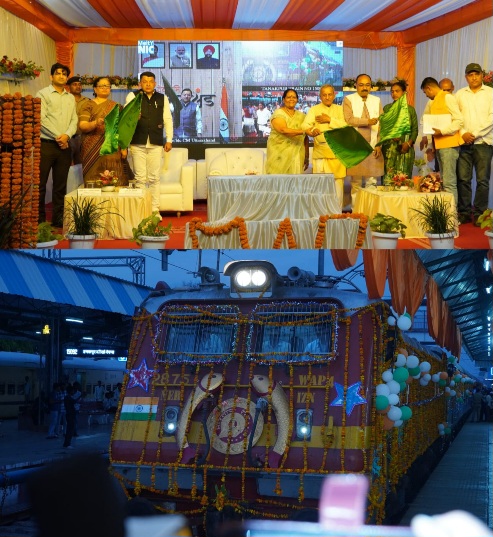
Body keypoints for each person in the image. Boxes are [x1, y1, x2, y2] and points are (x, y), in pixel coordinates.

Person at [36, 62, 78, 228]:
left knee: (60, 185)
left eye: (64, 74)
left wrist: (67, 136)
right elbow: (41, 119)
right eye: (58, 73)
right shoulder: (42, 94)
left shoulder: (70, 97)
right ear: (51, 76)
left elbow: (74, 120)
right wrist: (59, 137)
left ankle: (58, 219)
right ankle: (39, 220)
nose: (61, 76)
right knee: (40, 184)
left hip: (65, 146)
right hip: (46, 144)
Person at [125, 72, 173, 215]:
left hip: (155, 142)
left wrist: (169, 139)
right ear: (140, 84)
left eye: (150, 81)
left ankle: (154, 210)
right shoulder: (133, 96)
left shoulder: (162, 98)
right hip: (137, 142)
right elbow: (126, 118)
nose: (147, 84)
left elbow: (167, 119)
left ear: (155, 83)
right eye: (144, 81)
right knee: (140, 178)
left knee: (154, 178)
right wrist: (133, 116)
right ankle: (141, 211)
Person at [455, 63, 493, 225]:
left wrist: (475, 134)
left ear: (482, 75)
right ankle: (464, 212)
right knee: (463, 179)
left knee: (483, 180)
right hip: (464, 142)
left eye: (476, 74)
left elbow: (491, 118)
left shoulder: (490, 93)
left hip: (484, 142)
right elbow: (455, 116)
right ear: (466, 77)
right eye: (470, 75)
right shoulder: (460, 94)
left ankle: (479, 214)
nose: (474, 77)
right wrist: (463, 133)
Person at [302, 84, 348, 210]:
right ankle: (321, 214)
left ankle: (337, 213)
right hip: (320, 152)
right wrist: (312, 130)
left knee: (337, 187)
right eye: (324, 95)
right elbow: (305, 125)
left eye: (329, 94)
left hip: (337, 152)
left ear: (334, 95)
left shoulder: (340, 109)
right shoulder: (314, 110)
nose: (327, 97)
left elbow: (346, 126)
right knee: (320, 186)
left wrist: (329, 120)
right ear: (320, 96)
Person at [419, 77, 463, 204]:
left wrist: (442, 131)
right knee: (443, 180)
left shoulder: (447, 97)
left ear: (429, 88)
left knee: (449, 182)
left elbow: (459, 120)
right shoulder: (435, 101)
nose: (426, 95)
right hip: (439, 144)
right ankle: (446, 212)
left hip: (449, 144)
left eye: (425, 92)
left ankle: (452, 213)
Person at [79, 76, 130, 185]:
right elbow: (82, 126)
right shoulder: (88, 105)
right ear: (95, 89)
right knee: (93, 180)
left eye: (107, 86)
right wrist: (95, 123)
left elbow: (122, 129)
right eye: (102, 86)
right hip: (91, 148)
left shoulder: (116, 106)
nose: (105, 88)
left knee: (115, 178)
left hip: (113, 149)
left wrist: (124, 147)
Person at [343, 74, 384, 208]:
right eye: (361, 85)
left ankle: (370, 212)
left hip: (372, 146)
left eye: (367, 85)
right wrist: (367, 121)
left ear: (371, 86)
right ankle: (356, 212)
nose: (364, 88)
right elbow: (349, 120)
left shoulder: (376, 100)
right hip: (355, 147)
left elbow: (381, 125)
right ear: (356, 85)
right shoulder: (348, 99)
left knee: (372, 182)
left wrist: (379, 144)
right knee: (356, 183)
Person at [381, 80, 418, 179]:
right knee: (388, 179)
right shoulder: (387, 108)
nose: (394, 94)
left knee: (404, 179)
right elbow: (382, 127)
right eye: (392, 91)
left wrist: (408, 143)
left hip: (406, 148)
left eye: (397, 91)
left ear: (404, 93)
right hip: (389, 148)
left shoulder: (410, 110)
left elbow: (415, 129)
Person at [266, 88, 307, 174]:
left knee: (295, 180)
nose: (291, 99)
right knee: (278, 180)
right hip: (279, 155)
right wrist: (303, 131)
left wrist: (306, 156)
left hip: (297, 154)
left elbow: (305, 138)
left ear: (297, 100)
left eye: (294, 97)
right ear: (284, 99)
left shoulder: (302, 116)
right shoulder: (278, 113)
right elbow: (283, 130)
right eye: (288, 97)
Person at [67, 75, 90, 165]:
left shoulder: (88, 101)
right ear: (69, 87)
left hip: (82, 137)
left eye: (79, 84)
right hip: (68, 137)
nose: (78, 86)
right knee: (66, 164)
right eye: (74, 84)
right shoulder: (65, 99)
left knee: (81, 165)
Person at [62, 384, 76, 449]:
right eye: (73, 391)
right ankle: (67, 443)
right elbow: (74, 401)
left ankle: (67, 443)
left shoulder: (69, 397)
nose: (73, 392)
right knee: (70, 429)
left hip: (71, 414)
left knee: (70, 429)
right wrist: (80, 396)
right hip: (70, 414)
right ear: (70, 391)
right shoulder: (67, 397)